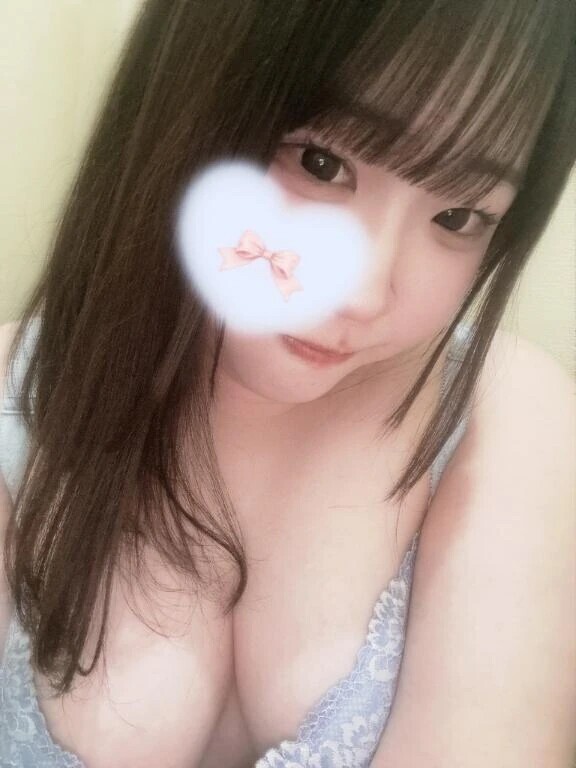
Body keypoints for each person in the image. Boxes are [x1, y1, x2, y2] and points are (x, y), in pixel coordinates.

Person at [1, 0, 575, 766]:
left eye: (459, 216)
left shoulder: (511, 422)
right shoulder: (15, 400)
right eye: (320, 163)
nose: (362, 294)